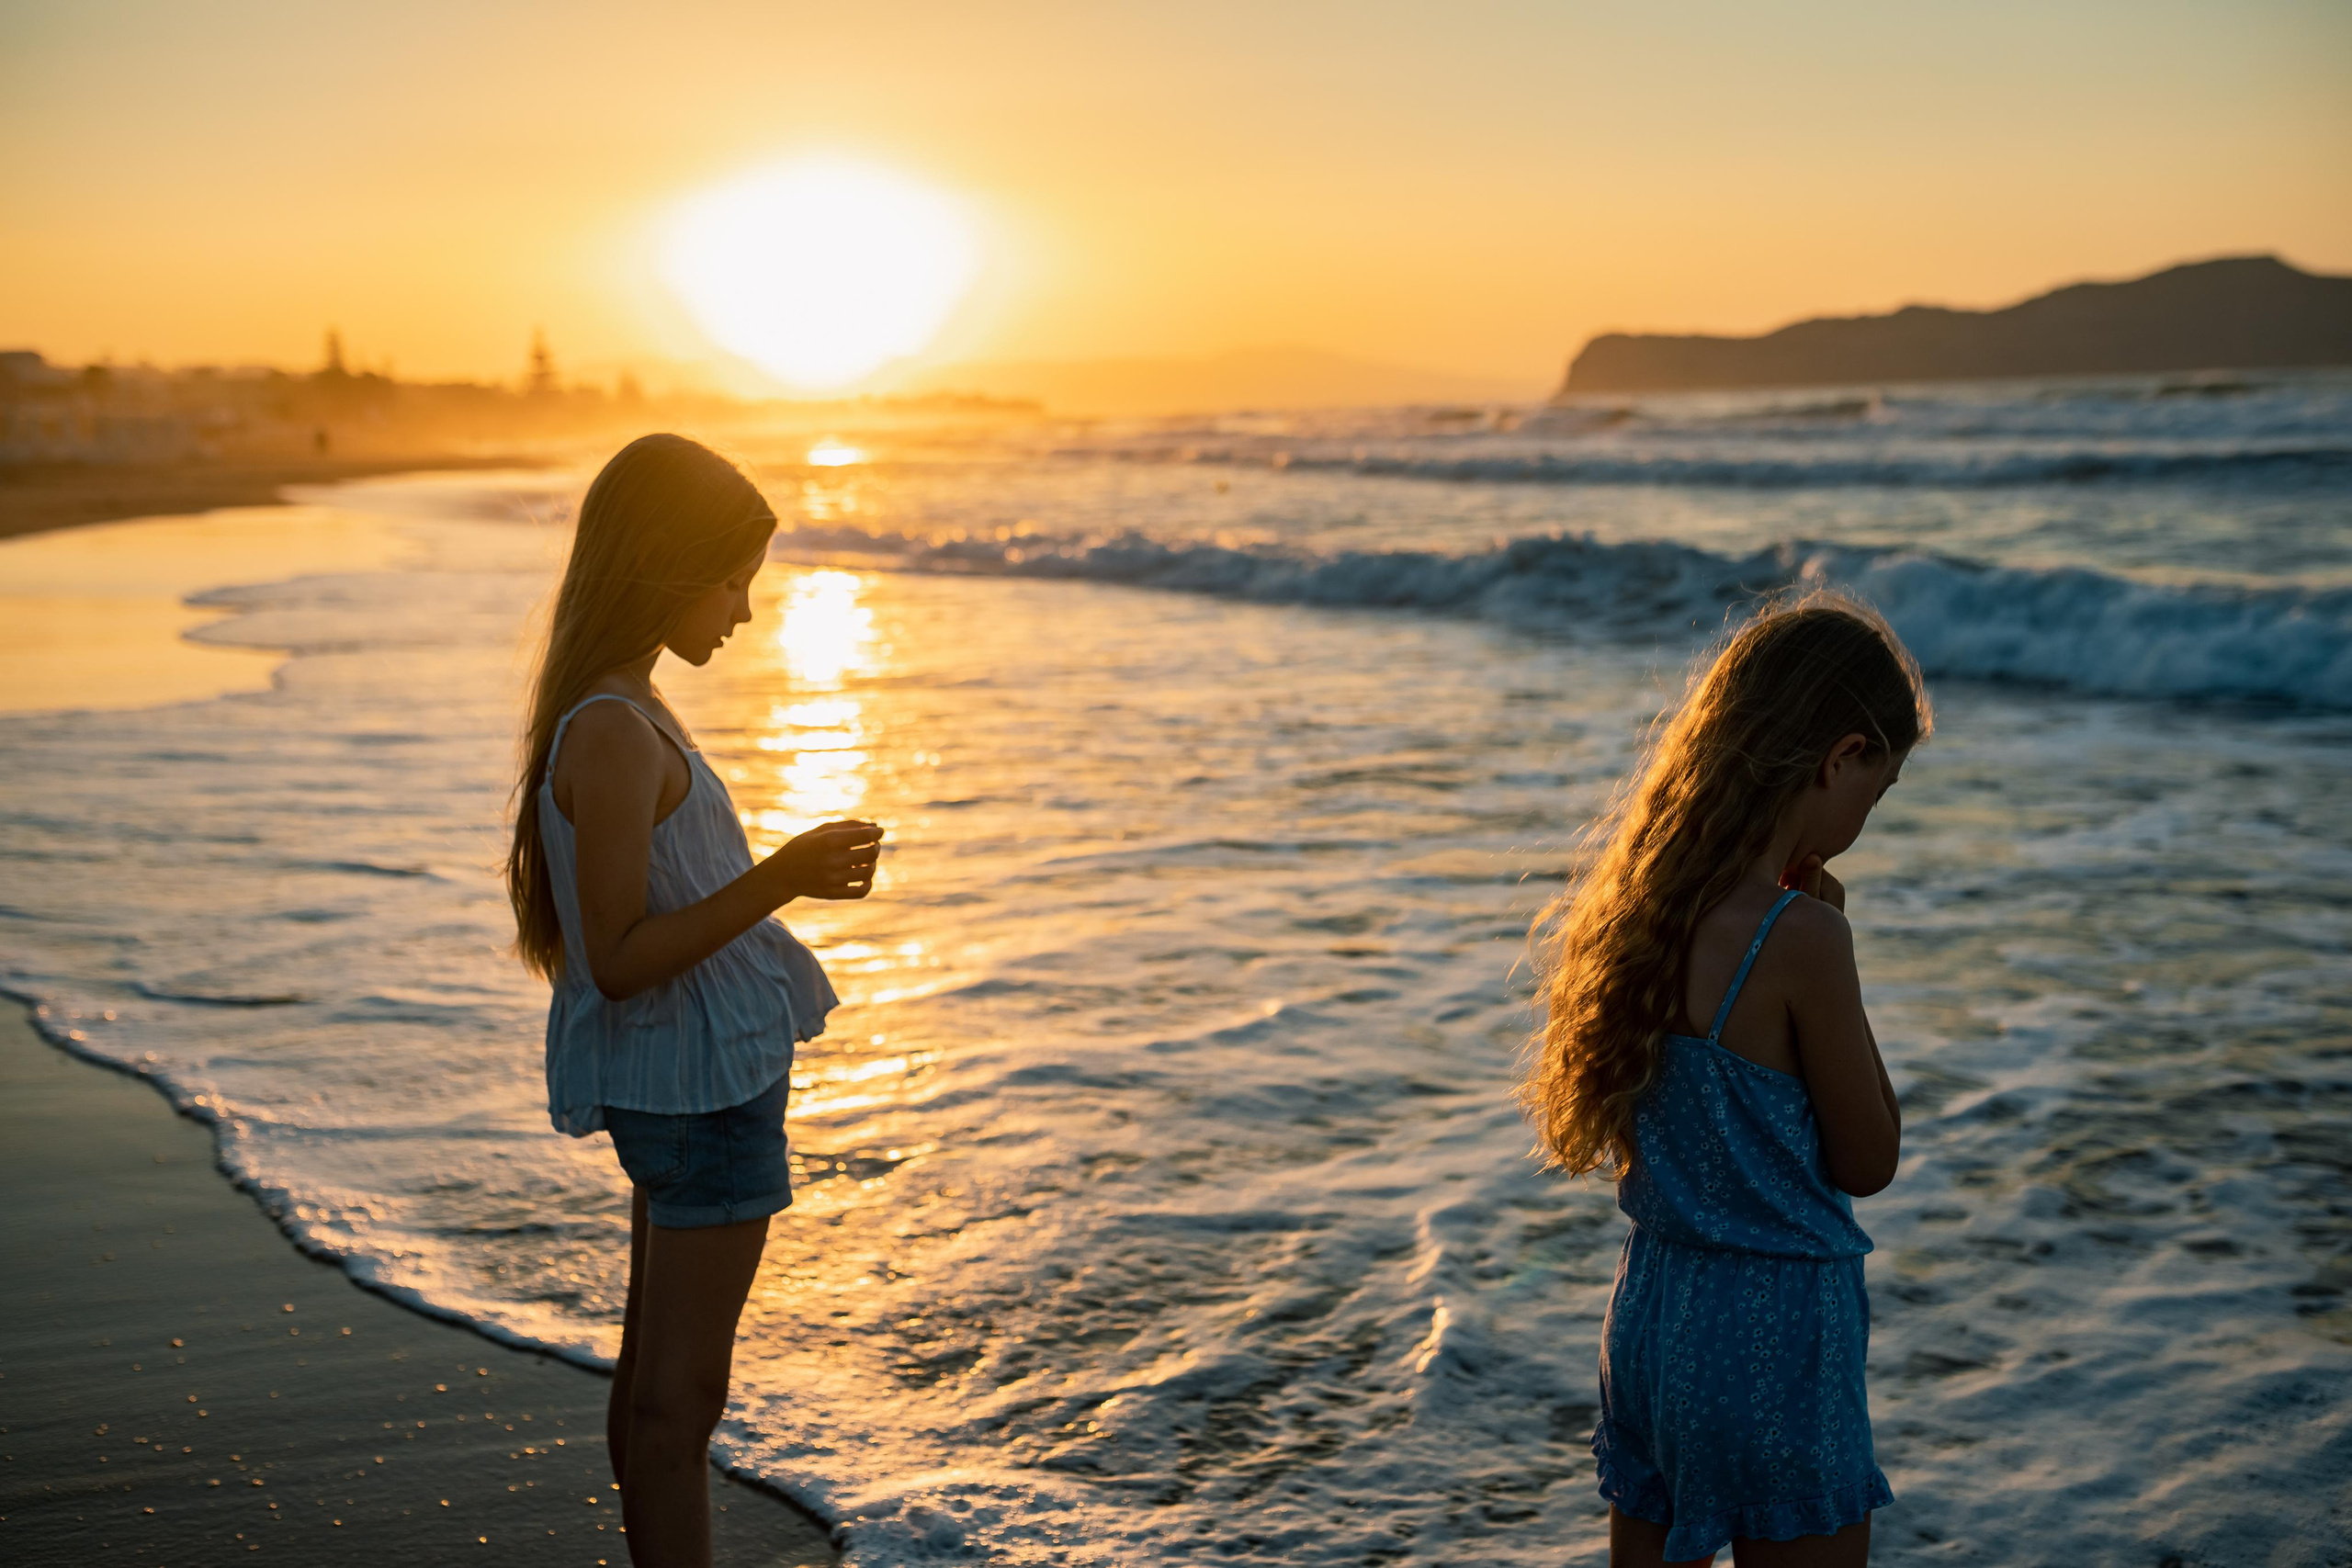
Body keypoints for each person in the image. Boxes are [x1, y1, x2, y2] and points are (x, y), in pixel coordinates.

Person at [504, 434, 884, 1566]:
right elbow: (618, 956)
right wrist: (782, 876)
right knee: (679, 1407)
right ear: (666, 567)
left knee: (654, 1392)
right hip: (701, 1100)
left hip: (684, 1087)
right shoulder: (615, 730)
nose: (746, 611)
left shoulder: (624, 708)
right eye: (731, 582)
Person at [1522, 591, 1930, 1566]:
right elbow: (1869, 1157)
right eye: (1874, 793)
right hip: (1776, 1338)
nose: (1864, 817)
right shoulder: (1803, 937)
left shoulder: (1640, 915)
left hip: (1656, 1316)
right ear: (1840, 758)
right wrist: (1837, 946)